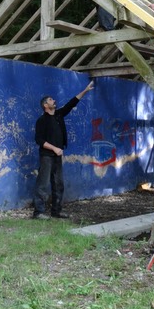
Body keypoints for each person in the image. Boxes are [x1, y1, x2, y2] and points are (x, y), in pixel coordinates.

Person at [33, 80, 94, 219]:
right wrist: (55, 148)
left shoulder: (59, 115)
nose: (54, 100)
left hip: (57, 156)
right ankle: (38, 212)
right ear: (45, 105)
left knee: (58, 184)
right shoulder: (41, 121)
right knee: (42, 184)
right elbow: (39, 140)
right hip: (47, 156)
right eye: (50, 100)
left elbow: (71, 103)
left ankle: (57, 211)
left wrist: (85, 91)